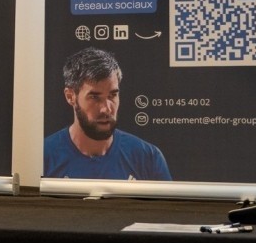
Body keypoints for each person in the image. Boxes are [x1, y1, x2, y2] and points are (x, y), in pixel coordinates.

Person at [43, 47, 172, 180]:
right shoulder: (43, 157)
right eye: (94, 97)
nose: (106, 109)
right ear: (70, 96)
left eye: (112, 95)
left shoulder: (148, 158)